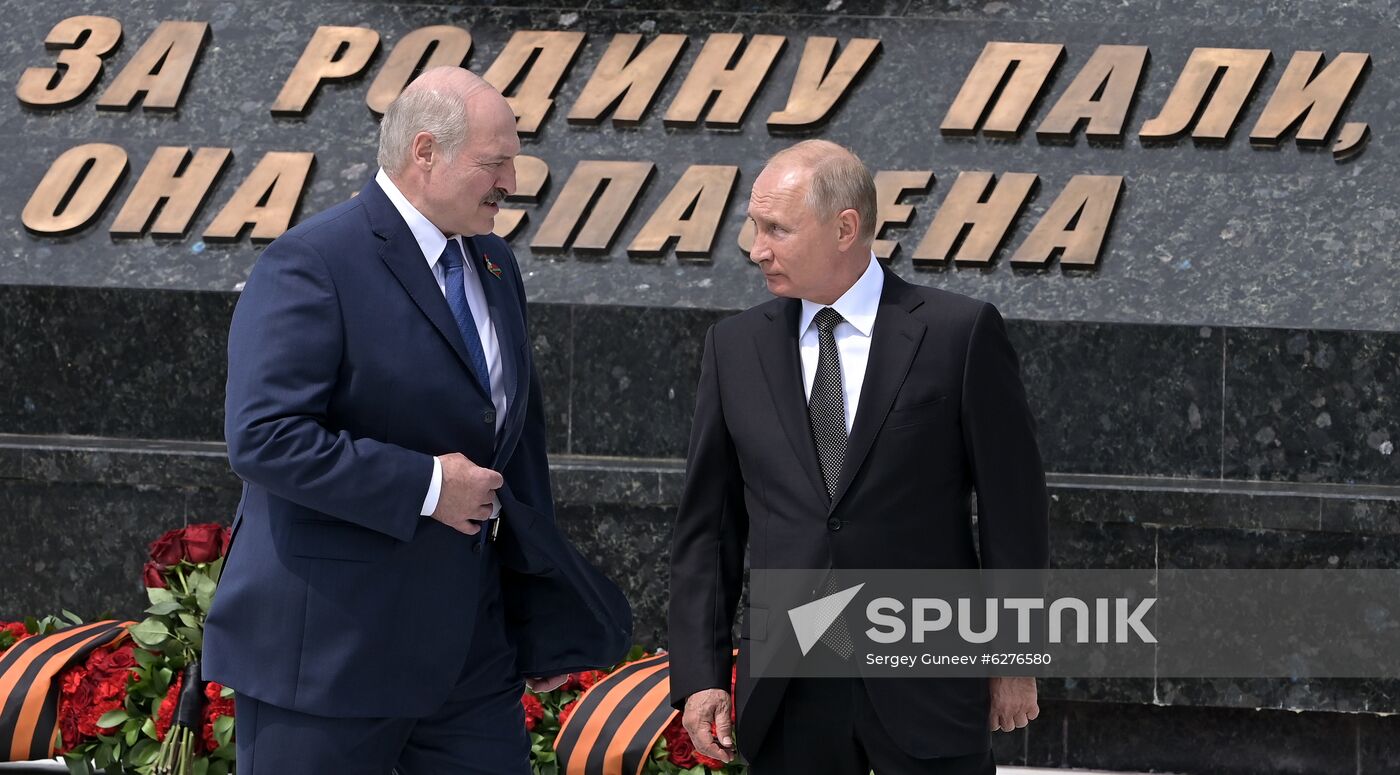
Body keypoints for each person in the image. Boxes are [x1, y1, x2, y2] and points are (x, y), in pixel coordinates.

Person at [204, 67, 631, 774]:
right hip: (331, 654)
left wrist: (539, 612)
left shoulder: (493, 262)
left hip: (469, 655)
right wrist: (427, 486)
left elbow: (516, 448)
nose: (512, 182)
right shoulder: (312, 261)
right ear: (425, 152)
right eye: (495, 163)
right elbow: (266, 437)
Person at [667, 139, 1049, 774]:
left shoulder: (958, 334)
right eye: (755, 226)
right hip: (789, 685)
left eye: (776, 229)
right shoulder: (733, 348)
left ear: (845, 228)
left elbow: (1016, 513)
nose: (756, 248)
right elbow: (709, 530)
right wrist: (701, 676)